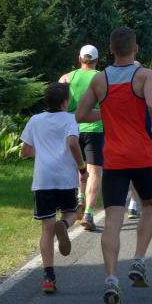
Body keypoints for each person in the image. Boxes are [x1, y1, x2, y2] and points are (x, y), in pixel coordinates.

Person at [76, 27, 152, 304]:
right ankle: (139, 260)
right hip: (142, 156)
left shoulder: (99, 79)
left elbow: (80, 115)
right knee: (149, 205)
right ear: (136, 48)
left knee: (113, 219)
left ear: (111, 49)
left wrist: (108, 113)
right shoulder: (145, 75)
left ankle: (111, 279)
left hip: (114, 159)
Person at [20, 82, 87, 294]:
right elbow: (73, 143)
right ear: (65, 102)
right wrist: (82, 167)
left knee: (46, 229)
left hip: (43, 180)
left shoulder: (35, 120)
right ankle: (64, 226)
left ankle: (48, 277)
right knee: (71, 212)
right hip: (65, 178)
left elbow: (25, 151)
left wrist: (42, 150)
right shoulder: (70, 119)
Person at [59, 45, 103, 231]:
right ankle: (89, 214)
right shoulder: (102, 78)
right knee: (95, 171)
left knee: (78, 166)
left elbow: (58, 104)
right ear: (97, 60)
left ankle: (79, 197)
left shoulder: (66, 78)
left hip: (71, 128)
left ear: (79, 59)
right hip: (95, 128)